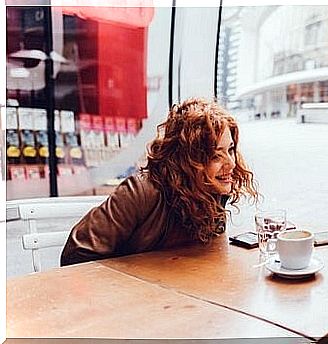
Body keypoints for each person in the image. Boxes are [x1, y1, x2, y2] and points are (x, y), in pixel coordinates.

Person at [61, 97, 259, 266]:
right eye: (215, 156)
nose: (231, 163)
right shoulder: (141, 191)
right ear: (187, 160)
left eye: (230, 149)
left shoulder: (213, 191)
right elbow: (76, 254)